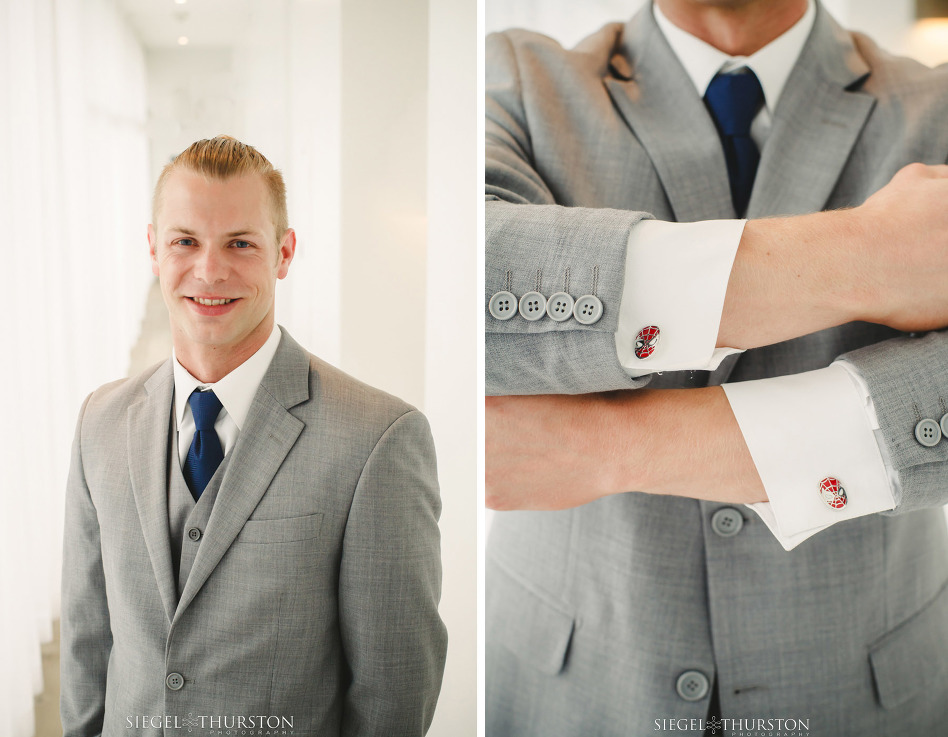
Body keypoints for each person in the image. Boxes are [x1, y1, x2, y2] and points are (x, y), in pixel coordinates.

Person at [484, 1, 948, 734]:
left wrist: (609, 447)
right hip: (570, 684)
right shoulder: (516, 75)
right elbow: (470, 278)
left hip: (866, 689)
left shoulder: (938, 103)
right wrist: (870, 254)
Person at [61, 136, 447, 736]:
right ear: (154, 251)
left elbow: (394, 690)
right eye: (184, 241)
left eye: (240, 243)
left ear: (284, 253)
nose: (208, 271)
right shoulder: (99, 422)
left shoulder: (378, 440)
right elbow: (86, 644)